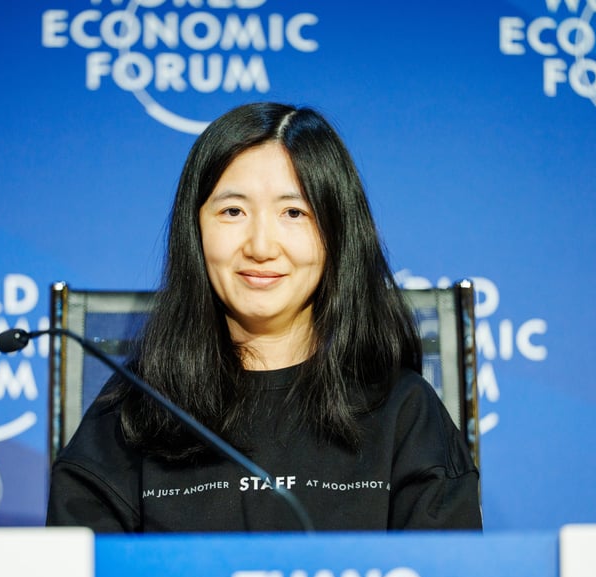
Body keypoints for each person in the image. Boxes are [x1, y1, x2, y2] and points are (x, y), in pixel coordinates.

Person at [47, 102, 481, 533]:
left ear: (336, 234)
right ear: (194, 231)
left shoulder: (403, 414)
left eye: (294, 213)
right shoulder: (135, 409)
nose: (260, 245)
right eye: (233, 212)